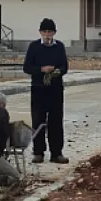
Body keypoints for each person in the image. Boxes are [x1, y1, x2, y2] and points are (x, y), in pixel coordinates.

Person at [23, 18, 69, 164]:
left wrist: (56, 72)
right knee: (38, 120)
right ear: (40, 32)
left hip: (55, 89)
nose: (47, 34)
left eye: (50, 32)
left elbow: (64, 67)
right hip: (38, 89)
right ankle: (38, 152)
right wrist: (41, 70)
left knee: (55, 121)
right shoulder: (34, 47)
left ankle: (56, 153)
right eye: (45, 32)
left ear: (54, 33)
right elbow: (27, 67)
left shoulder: (59, 47)